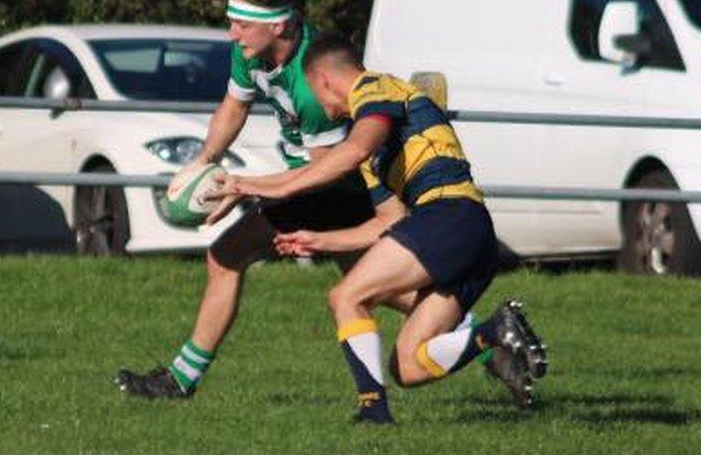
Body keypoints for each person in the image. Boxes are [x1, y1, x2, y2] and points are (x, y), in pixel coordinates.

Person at [204, 34, 549, 423]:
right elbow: (387, 222)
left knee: (347, 297)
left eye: (315, 95)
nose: (319, 107)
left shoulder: (376, 89)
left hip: (450, 215)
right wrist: (319, 240)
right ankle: (493, 332)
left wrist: (255, 185)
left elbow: (352, 153)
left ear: (323, 80)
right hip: (469, 235)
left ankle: (373, 411)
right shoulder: (378, 145)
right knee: (409, 366)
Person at [114, 0, 392, 398]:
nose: (232, 34)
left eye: (242, 24)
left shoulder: (311, 80)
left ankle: (180, 381)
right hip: (315, 183)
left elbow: (323, 171)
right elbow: (234, 104)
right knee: (376, 286)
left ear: (278, 25)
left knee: (227, 254)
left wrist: (247, 187)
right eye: (231, 23)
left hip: (332, 188)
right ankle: (489, 337)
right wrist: (204, 161)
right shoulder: (252, 53)